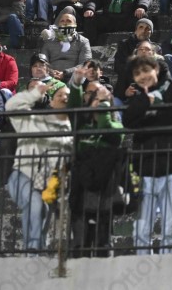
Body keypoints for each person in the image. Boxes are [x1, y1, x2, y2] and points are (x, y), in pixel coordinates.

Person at [123, 56, 172, 255]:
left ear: (155, 69)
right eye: (137, 74)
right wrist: (146, 102)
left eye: (145, 70)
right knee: (141, 228)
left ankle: (167, 266)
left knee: (170, 227)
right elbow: (129, 121)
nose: (142, 76)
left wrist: (150, 114)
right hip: (147, 168)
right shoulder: (139, 97)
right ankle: (142, 264)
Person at [5, 78, 73, 254]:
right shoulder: (34, 119)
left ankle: (37, 251)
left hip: (47, 182)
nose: (64, 97)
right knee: (36, 205)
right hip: (23, 175)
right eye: (59, 95)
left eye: (67, 95)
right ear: (51, 102)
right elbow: (11, 106)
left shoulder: (69, 131)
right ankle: (32, 251)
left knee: (42, 213)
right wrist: (36, 93)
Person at [66, 67, 123, 258]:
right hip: (82, 178)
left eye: (98, 94)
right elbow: (73, 108)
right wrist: (76, 84)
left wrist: (104, 107)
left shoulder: (115, 123)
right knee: (80, 232)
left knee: (102, 233)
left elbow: (108, 130)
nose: (94, 98)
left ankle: (102, 254)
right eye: (90, 94)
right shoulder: (81, 123)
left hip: (105, 181)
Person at [39, 8, 92, 79]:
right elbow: (42, 62)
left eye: (68, 21)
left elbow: (85, 64)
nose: (65, 23)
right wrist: (52, 72)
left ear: (75, 24)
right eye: (62, 21)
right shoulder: (49, 41)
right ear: (58, 24)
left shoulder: (83, 41)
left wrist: (65, 73)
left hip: (75, 78)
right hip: (51, 78)